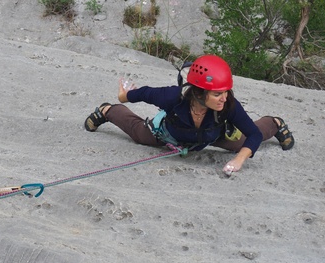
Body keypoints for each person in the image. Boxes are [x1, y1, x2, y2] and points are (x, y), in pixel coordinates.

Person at [84, 55, 295, 175]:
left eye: (226, 92)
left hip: (213, 135)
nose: (224, 98)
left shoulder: (228, 104)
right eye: (217, 93)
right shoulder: (173, 97)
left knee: (242, 144)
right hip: (171, 134)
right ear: (199, 92)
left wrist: (239, 160)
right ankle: (107, 110)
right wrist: (124, 96)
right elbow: (146, 93)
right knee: (140, 135)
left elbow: (253, 135)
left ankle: (275, 123)